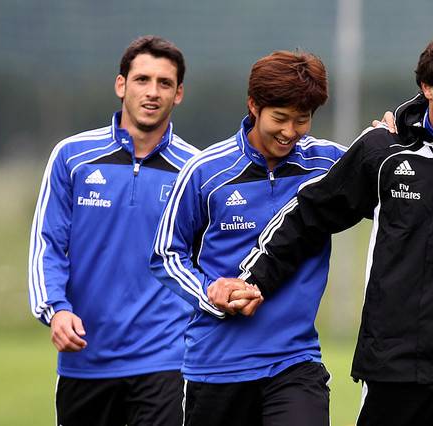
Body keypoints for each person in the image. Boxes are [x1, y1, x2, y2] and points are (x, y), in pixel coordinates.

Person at [238, 34, 433, 425]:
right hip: (394, 365)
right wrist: (255, 280)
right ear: (427, 87)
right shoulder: (384, 150)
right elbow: (309, 215)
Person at [150, 50, 351, 426]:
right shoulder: (205, 171)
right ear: (254, 105)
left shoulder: (328, 165)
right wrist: (209, 293)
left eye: (302, 119)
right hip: (216, 367)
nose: (290, 131)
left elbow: (386, 170)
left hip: (295, 362)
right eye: (280, 118)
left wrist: (392, 135)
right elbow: (166, 254)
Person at [28, 35, 199, 426]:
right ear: (121, 85)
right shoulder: (72, 157)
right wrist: (56, 309)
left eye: (164, 83)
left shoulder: (196, 169)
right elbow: (48, 244)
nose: (152, 92)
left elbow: (205, 260)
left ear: (178, 94)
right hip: (85, 356)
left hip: (167, 359)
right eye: (142, 80)